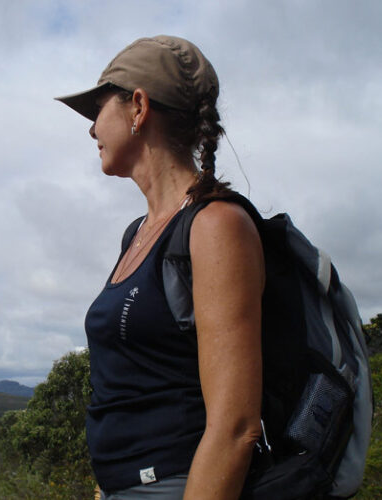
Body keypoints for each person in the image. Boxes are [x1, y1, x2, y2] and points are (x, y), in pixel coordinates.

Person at [56, 36, 265, 499]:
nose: (91, 129)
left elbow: (235, 427)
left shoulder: (215, 226)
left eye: (98, 109)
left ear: (138, 107)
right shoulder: (138, 232)